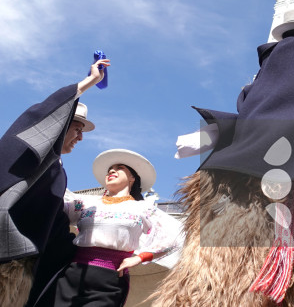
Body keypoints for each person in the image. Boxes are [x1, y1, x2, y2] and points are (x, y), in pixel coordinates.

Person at [153, 8, 294, 307]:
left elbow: (244, 115)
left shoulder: (264, 69)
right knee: (270, 284)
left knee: (208, 278)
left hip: (228, 177)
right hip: (289, 182)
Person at [0, 59, 109, 307]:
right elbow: (38, 119)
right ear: (59, 125)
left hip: (19, 270)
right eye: (77, 128)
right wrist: (88, 82)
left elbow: (55, 226)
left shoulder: (58, 174)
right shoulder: (27, 157)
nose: (81, 137)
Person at [51, 149, 182, 307]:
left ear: (132, 177)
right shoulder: (85, 202)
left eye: (120, 168)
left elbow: (176, 235)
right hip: (72, 274)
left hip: (110, 280)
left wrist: (140, 257)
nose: (112, 171)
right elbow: (54, 210)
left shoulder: (144, 209)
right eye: (109, 170)